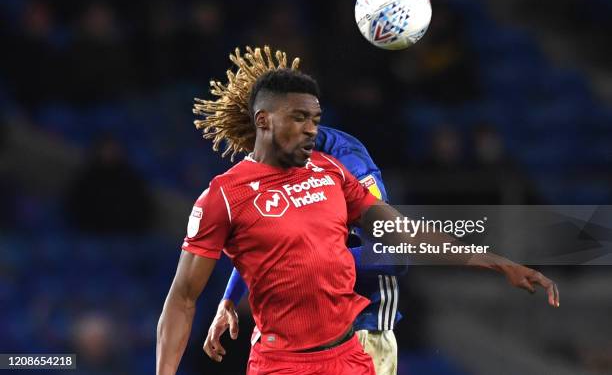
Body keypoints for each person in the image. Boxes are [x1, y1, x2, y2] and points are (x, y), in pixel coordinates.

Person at [156, 46, 559, 375]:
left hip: (350, 356)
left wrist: (494, 260)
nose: (312, 128)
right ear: (263, 121)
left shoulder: (331, 170)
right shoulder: (224, 196)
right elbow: (183, 298)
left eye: (315, 119)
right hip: (283, 365)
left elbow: (402, 235)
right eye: (299, 118)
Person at [204, 124, 405, 375]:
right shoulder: (269, 162)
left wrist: (313, 259)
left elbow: (395, 254)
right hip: (292, 340)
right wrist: (230, 298)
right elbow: (267, 246)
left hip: (362, 329)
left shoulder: (347, 160)